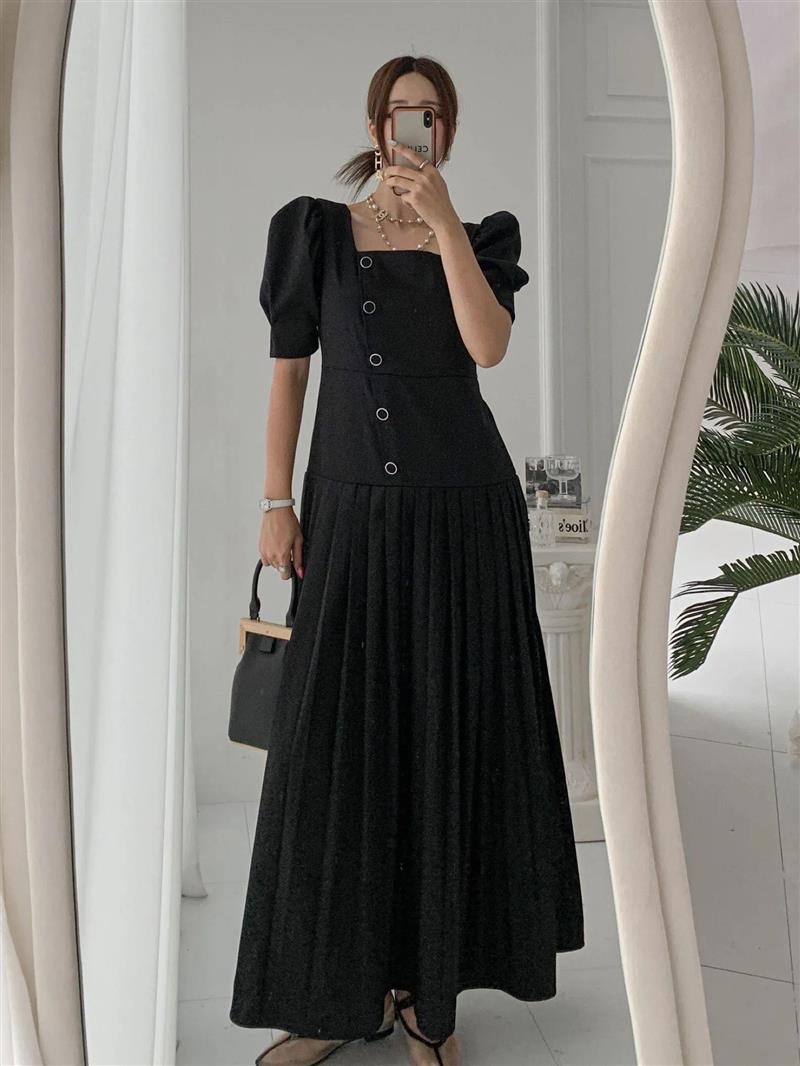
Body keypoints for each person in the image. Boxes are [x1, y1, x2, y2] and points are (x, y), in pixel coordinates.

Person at [229, 55, 584, 1066]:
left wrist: (443, 226)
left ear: (447, 133)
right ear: (374, 125)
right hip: (346, 518)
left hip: (463, 518)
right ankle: (332, 1001)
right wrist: (275, 503)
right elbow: (290, 376)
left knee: (443, 746)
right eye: (397, 114)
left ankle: (430, 1003)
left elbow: (488, 347)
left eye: (429, 116)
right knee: (332, 757)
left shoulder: (481, 237)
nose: (411, 129)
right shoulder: (314, 232)